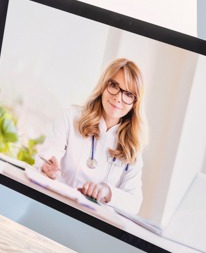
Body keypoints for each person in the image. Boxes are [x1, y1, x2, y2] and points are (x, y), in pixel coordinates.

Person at [36, 57, 148, 214]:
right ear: (104, 85)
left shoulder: (132, 146)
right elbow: (45, 156)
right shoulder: (72, 118)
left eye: (128, 94)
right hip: (52, 207)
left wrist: (107, 192)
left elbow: (134, 203)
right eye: (114, 85)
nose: (118, 97)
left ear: (135, 102)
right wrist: (47, 167)